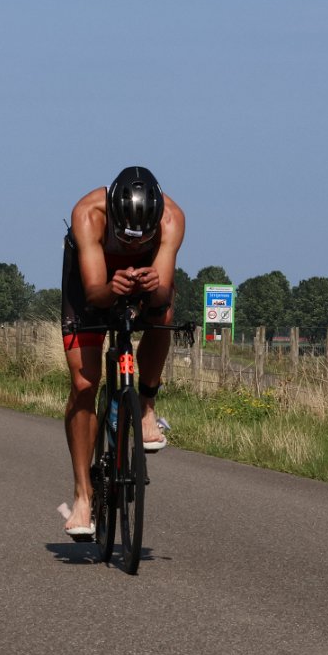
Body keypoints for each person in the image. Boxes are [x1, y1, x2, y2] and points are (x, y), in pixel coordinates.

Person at [60, 165, 186, 540]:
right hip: (91, 283)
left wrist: (153, 284)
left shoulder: (172, 219)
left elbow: (160, 296)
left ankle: (145, 407)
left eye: (141, 238)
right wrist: (111, 287)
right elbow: (95, 293)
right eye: (126, 237)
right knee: (85, 385)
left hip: (143, 280)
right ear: (113, 215)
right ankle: (83, 496)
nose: (133, 245)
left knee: (164, 313)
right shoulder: (88, 213)